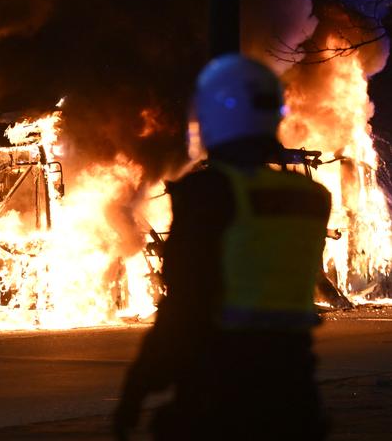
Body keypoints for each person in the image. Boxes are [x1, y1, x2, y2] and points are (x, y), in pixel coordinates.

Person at [113, 54, 331, 441]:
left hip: (221, 390)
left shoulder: (210, 195)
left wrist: (137, 391)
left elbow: (184, 306)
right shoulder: (312, 197)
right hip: (293, 388)